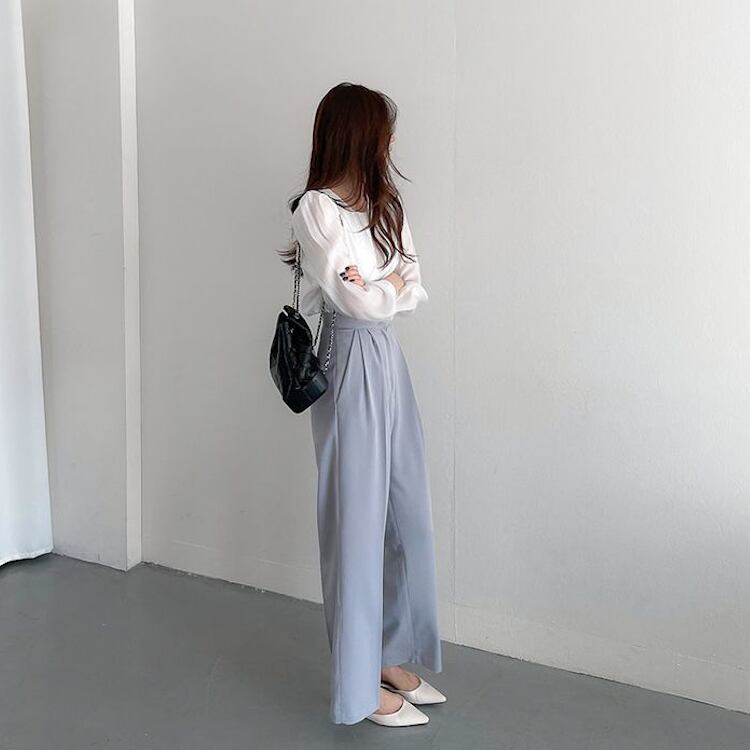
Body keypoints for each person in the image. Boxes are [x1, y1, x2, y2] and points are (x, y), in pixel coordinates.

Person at [281, 82, 445, 727]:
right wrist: (388, 284)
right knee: (355, 520)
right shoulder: (316, 209)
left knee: (406, 511)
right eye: (384, 131)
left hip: (388, 358)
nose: (391, 143)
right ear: (358, 135)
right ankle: (358, 688)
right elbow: (355, 302)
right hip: (345, 356)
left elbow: (415, 286)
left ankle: (387, 654)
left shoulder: (386, 205)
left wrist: (383, 285)